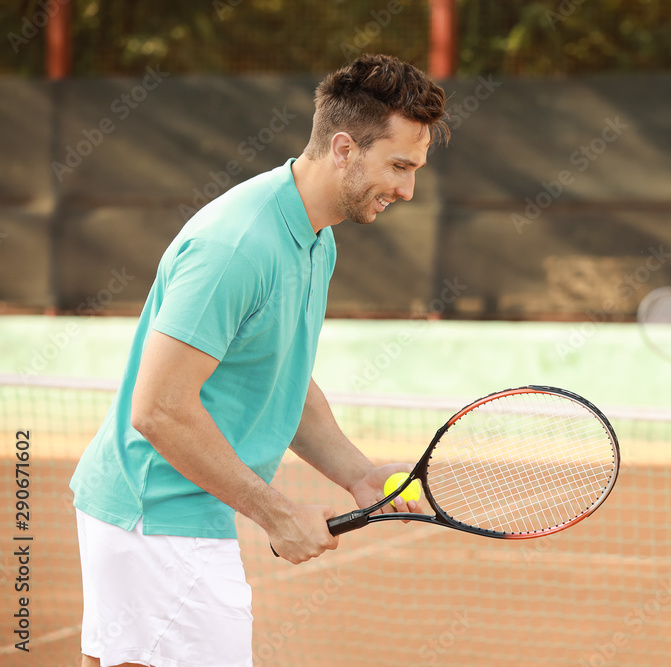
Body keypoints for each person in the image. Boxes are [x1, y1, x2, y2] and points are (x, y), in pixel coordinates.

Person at [69, 54, 450, 666]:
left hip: (162, 513)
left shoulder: (314, 238)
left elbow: (283, 380)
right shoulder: (239, 245)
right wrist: (277, 514)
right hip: (159, 516)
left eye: (415, 169)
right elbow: (158, 410)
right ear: (345, 149)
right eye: (399, 166)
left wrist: (358, 474)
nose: (407, 190)